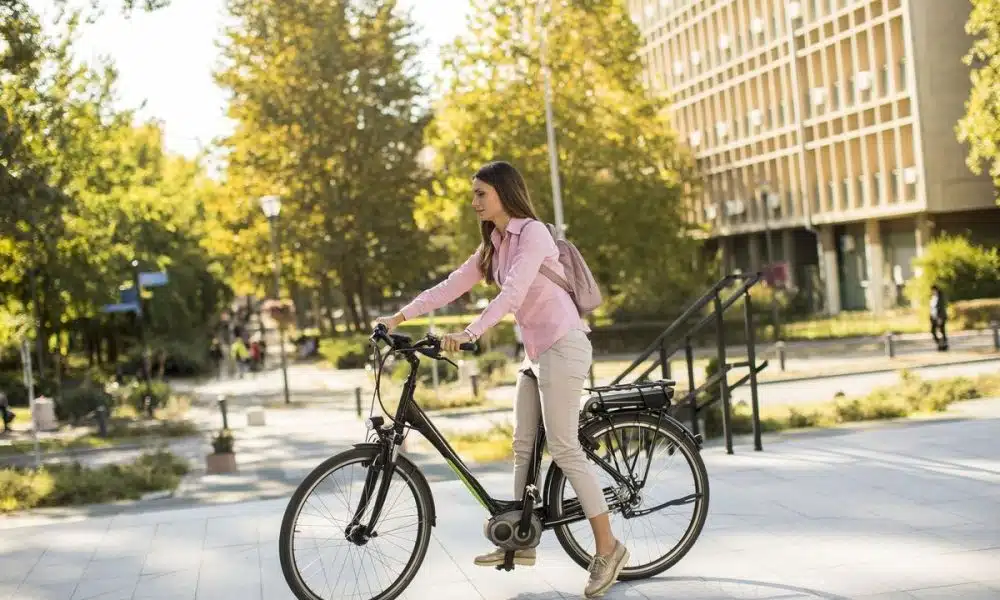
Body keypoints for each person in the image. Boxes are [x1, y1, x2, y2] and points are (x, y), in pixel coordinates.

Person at [375, 161, 628, 598]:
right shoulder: (493, 242)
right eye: (473, 194)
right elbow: (452, 285)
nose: (473, 201)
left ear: (503, 193)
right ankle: (519, 541)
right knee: (522, 445)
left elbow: (511, 293)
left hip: (563, 344)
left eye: (480, 194)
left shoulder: (533, 234)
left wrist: (470, 333)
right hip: (537, 352)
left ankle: (608, 548)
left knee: (565, 446)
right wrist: (398, 317)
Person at [929, 284, 948, 351]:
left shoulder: (940, 297)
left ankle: (944, 345)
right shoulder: (932, 297)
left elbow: (942, 308)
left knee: (942, 331)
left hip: (940, 317)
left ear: (936, 290)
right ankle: (940, 343)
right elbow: (932, 308)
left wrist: (940, 318)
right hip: (934, 318)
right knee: (933, 331)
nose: (932, 292)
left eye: (933, 290)